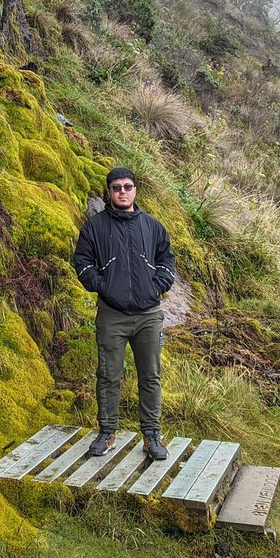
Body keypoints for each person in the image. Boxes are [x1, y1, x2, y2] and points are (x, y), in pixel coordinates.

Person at [73, 166, 176, 460]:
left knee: (151, 375)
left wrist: (156, 286)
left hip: (149, 316)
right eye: (116, 187)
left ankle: (152, 435)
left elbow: (167, 260)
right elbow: (82, 262)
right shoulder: (94, 227)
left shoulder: (153, 226)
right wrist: (103, 286)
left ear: (135, 191)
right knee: (108, 375)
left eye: (127, 187)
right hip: (111, 315)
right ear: (109, 191)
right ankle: (107, 434)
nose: (122, 191)